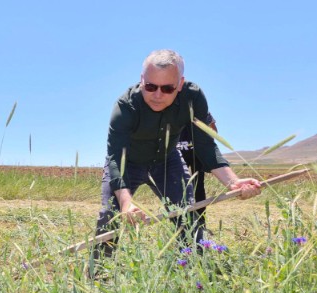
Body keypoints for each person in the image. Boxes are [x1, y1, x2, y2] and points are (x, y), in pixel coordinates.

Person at [93, 49, 261, 264]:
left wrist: (234, 182)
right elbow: (116, 158)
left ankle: (193, 273)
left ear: (180, 84)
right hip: (128, 164)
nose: (157, 95)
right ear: (141, 80)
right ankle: (99, 275)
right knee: (110, 217)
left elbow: (205, 145)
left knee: (187, 215)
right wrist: (126, 204)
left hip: (166, 161)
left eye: (168, 88)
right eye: (150, 86)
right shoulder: (125, 106)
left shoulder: (193, 97)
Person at [177, 114, 217, 232]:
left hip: (197, 153)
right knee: (178, 188)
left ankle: (201, 224)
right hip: (177, 153)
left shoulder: (201, 110)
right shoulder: (172, 107)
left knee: (198, 187)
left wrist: (203, 141)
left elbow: (213, 130)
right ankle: (182, 226)